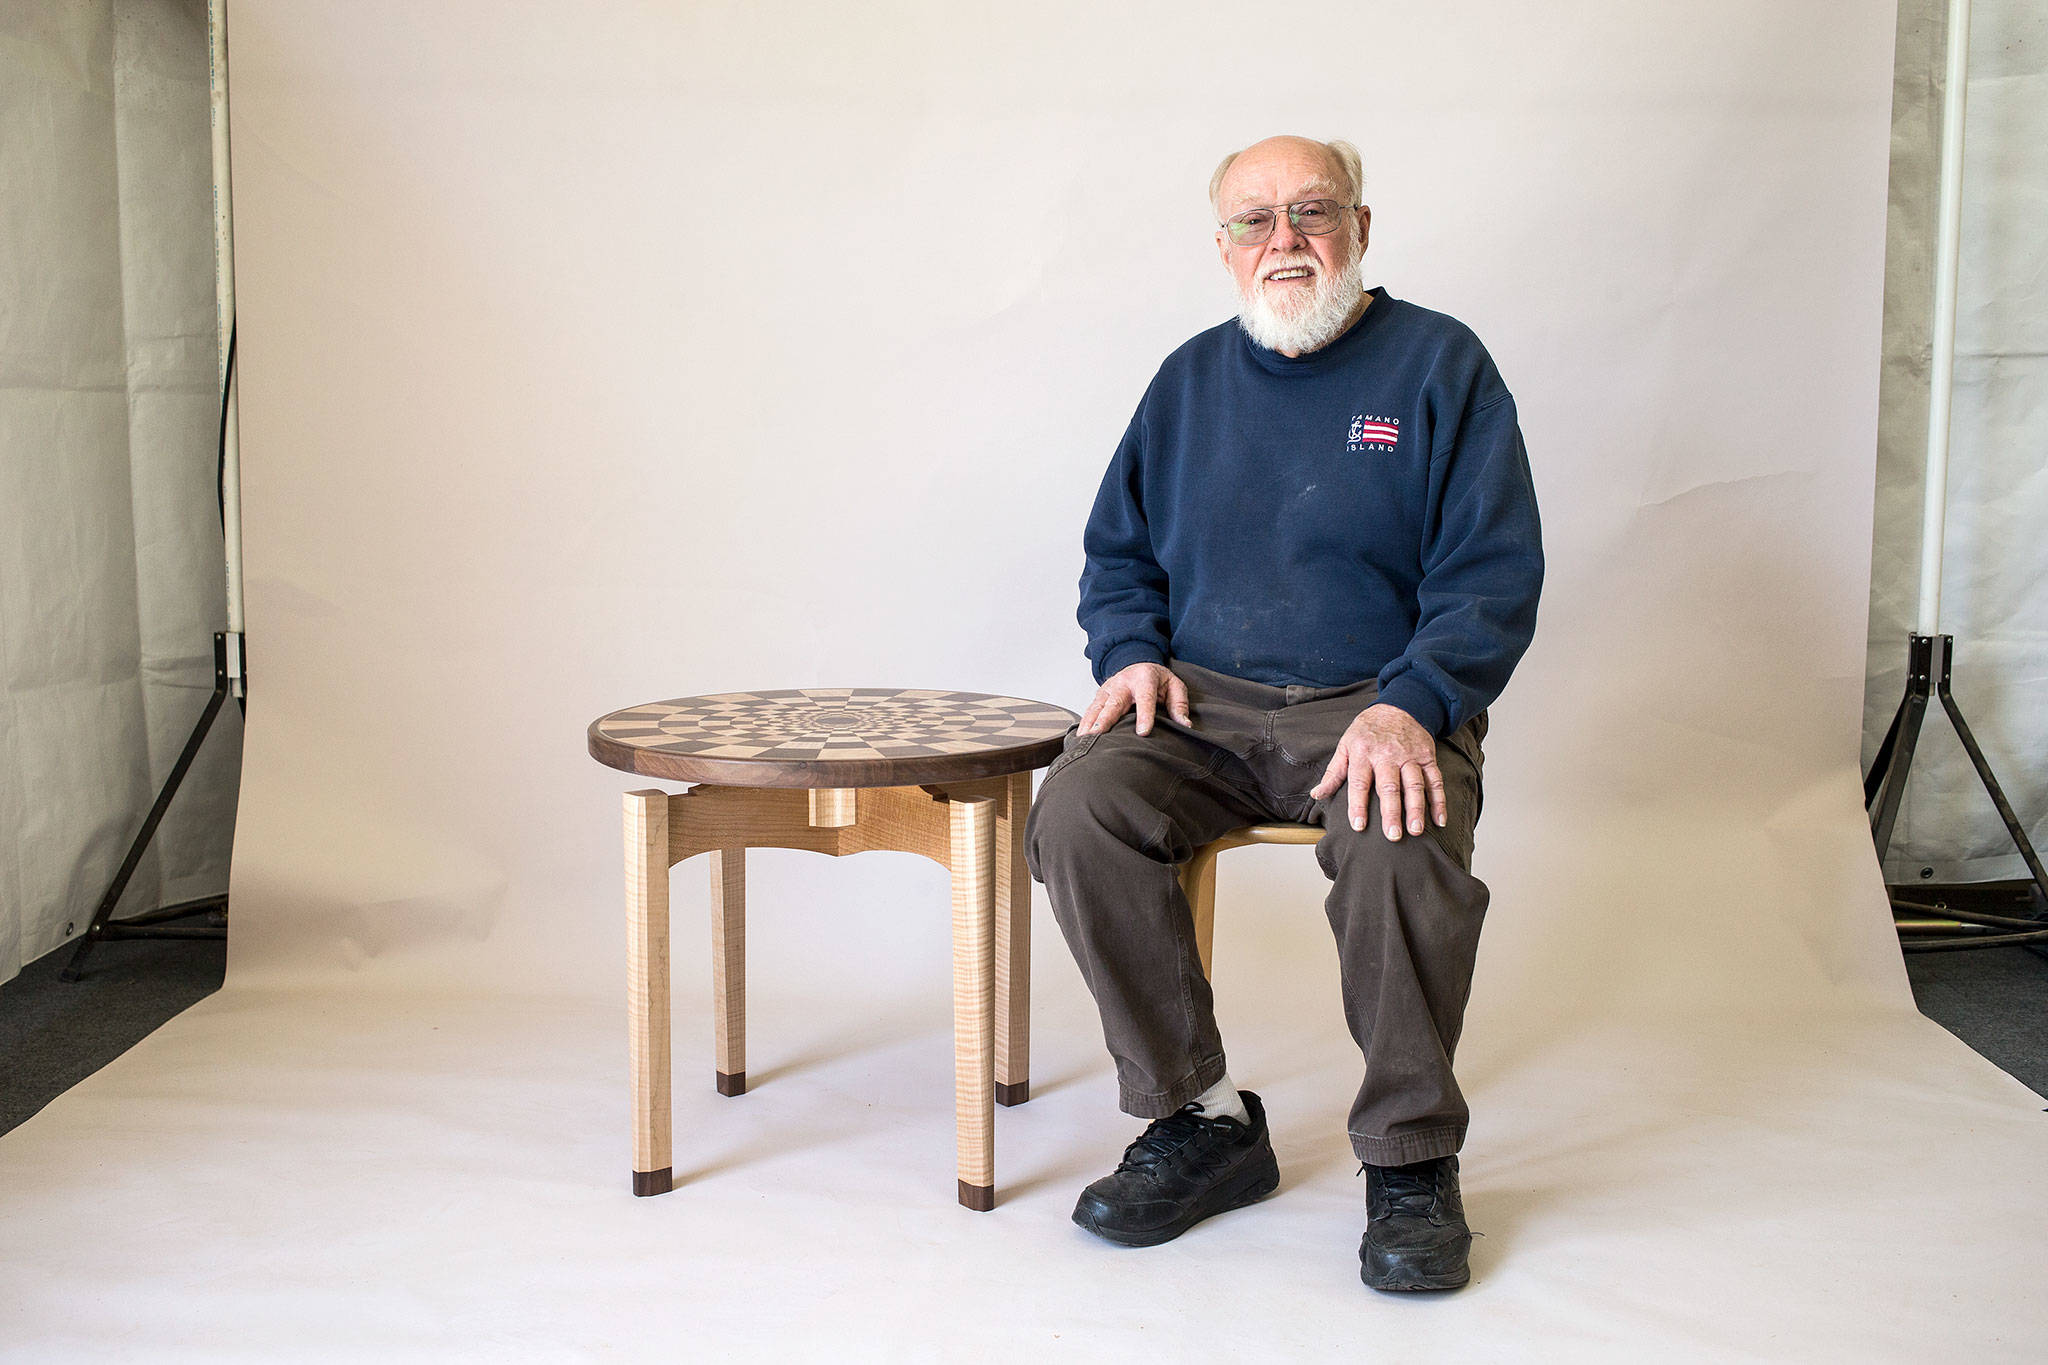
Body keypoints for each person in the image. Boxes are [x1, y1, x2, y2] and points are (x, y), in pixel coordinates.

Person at [1023, 134, 1543, 1293]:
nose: (1283, 241)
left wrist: (1413, 705)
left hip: (1373, 706)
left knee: (1396, 838)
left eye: (1310, 211)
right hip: (1202, 709)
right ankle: (1199, 1121)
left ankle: (1409, 1158)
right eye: (1252, 221)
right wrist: (1130, 654)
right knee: (1077, 809)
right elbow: (1117, 557)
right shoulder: (1187, 382)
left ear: (1360, 227)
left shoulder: (1439, 367)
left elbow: (1490, 575)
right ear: (1221, 250)